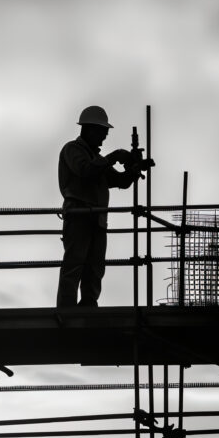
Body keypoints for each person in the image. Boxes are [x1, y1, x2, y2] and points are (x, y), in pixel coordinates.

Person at [56, 106, 154, 307]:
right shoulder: (72, 150)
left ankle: (89, 304)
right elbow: (85, 171)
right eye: (102, 133)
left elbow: (119, 181)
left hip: (98, 218)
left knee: (95, 267)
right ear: (89, 129)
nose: (103, 138)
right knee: (75, 264)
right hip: (79, 215)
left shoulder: (96, 158)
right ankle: (66, 309)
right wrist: (115, 155)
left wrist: (134, 170)